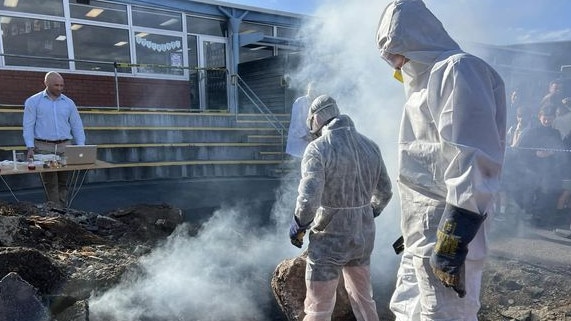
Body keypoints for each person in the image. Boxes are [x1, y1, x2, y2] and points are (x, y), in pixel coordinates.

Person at [375, 1, 506, 320]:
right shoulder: (424, 83)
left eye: (394, 50)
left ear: (415, 37)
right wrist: (413, 226)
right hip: (422, 232)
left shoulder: (457, 69)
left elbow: (473, 154)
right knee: (408, 309)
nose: (394, 62)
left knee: (446, 315)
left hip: (447, 229)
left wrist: (454, 234)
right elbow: (425, 164)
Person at [288, 95, 393, 321]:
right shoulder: (370, 146)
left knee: (319, 308)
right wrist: (368, 212)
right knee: (364, 300)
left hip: (330, 240)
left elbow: (308, 198)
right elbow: (385, 191)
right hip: (362, 237)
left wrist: (299, 224)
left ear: (316, 118)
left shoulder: (318, 149)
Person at [23, 71, 86, 208]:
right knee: (50, 183)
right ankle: (55, 212)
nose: (59, 88)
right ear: (46, 84)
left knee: (63, 182)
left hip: (65, 147)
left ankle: (63, 210)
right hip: (44, 148)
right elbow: (28, 125)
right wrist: (30, 147)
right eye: (56, 85)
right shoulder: (33, 101)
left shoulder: (69, 103)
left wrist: (81, 146)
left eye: (62, 85)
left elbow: (77, 125)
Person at [285, 82, 317, 159]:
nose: (313, 91)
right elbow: (296, 123)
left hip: (310, 144)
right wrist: (306, 136)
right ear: (307, 89)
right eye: (311, 89)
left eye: (315, 90)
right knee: (298, 169)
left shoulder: (316, 103)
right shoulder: (300, 101)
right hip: (298, 144)